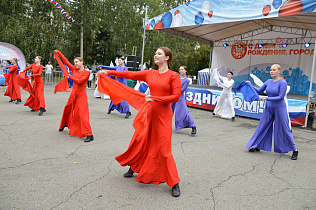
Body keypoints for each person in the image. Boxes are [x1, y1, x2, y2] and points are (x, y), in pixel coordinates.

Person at [99, 47, 182, 197]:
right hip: (150, 114)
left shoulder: (173, 76)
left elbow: (176, 96)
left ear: (167, 58)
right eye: (155, 53)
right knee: (140, 141)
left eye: (159, 54)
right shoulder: (150, 73)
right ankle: (134, 167)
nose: (155, 55)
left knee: (164, 150)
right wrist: (109, 72)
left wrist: (156, 99)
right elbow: (130, 74)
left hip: (164, 116)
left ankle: (174, 182)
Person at [246, 64, 298, 160]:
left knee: (285, 129)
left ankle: (294, 150)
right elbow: (258, 91)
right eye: (270, 70)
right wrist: (249, 85)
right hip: (269, 107)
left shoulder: (283, 83)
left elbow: (280, 97)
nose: (271, 71)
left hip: (279, 108)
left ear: (279, 71)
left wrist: (266, 98)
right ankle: (256, 145)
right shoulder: (268, 81)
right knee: (262, 126)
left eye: (274, 70)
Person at [54, 50, 94, 142]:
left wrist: (69, 76)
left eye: (77, 62)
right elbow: (66, 61)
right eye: (74, 62)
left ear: (82, 62)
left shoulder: (86, 73)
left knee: (82, 115)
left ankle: (89, 134)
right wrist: (59, 53)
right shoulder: (73, 69)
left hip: (81, 96)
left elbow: (79, 81)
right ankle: (64, 123)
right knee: (67, 108)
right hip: (73, 94)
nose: (75, 64)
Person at [171, 66, 197, 134]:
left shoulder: (187, 80)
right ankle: (163, 126)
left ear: (186, 71)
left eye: (182, 69)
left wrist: (175, 92)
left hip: (180, 97)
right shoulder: (177, 77)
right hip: (173, 96)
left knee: (184, 112)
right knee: (168, 110)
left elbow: (182, 90)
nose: (180, 71)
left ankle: (193, 126)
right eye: (180, 69)